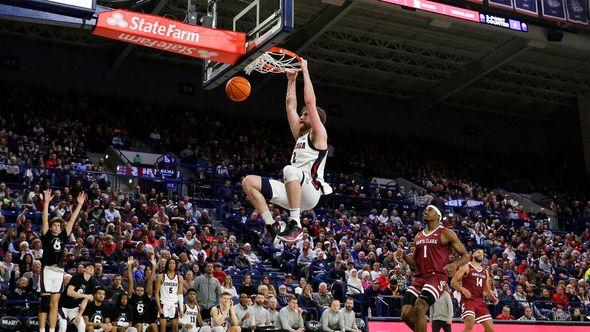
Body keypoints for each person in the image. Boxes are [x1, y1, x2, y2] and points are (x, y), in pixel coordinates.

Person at [242, 59, 332, 243]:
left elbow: (310, 101)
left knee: (289, 169)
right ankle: (271, 225)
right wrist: (291, 80)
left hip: (310, 191)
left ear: (315, 119)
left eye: (305, 114)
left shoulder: (319, 134)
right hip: (293, 189)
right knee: (248, 182)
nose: (301, 115)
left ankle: (296, 224)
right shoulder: (300, 135)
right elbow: (290, 106)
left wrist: (305, 70)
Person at [397, 198, 469, 332]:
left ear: (438, 215)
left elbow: (466, 255)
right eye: (425, 210)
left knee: (420, 308)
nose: (425, 211)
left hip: (436, 277)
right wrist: (404, 257)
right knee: (405, 314)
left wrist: (454, 264)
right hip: (420, 278)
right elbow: (414, 263)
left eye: (429, 210)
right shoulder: (418, 235)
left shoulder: (446, 233)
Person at [40, 190, 86, 332]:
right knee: (44, 303)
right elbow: (44, 220)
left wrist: (79, 205)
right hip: (47, 269)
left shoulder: (63, 237)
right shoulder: (47, 235)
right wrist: (46, 203)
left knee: (55, 304)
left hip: (59, 272)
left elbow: (72, 220)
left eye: (59, 226)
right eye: (55, 225)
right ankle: (42, 330)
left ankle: (52, 329)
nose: (57, 227)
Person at [451, 249, 498, 332]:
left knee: (490, 329)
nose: (480, 254)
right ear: (472, 255)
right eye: (478, 252)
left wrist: (494, 298)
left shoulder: (485, 271)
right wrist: (462, 289)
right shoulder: (466, 267)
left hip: (480, 301)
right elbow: (453, 281)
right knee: (470, 321)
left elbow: (487, 290)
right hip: (468, 300)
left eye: (482, 254)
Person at [58, 262, 96, 332]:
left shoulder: (92, 282)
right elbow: (69, 292)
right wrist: (85, 295)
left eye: (93, 268)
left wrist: (80, 315)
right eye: (89, 267)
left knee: (82, 326)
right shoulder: (77, 276)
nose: (92, 269)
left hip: (74, 308)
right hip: (63, 306)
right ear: (84, 269)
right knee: (63, 327)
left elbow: (85, 300)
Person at [127, 256, 158, 332]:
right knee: (139, 325)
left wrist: (154, 266)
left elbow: (150, 281)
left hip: (147, 326)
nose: (140, 291)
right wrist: (129, 266)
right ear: (135, 291)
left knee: (154, 326)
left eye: (141, 290)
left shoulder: (146, 296)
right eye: (138, 290)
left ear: (144, 292)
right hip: (136, 325)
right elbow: (131, 282)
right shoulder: (132, 297)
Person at [155, 258, 184, 332]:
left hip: (174, 304)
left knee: (175, 328)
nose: (172, 264)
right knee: (162, 327)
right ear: (167, 264)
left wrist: (181, 309)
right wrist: (159, 308)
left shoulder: (179, 278)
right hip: (163, 304)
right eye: (170, 263)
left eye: (173, 263)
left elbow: (180, 294)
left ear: (176, 265)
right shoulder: (161, 276)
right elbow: (156, 294)